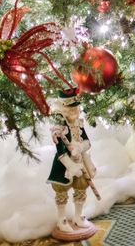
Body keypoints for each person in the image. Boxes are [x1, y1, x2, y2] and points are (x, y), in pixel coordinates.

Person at [48, 89, 98, 241]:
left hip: (81, 162)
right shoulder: (59, 129)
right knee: (61, 191)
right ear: (63, 109)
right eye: (71, 108)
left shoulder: (79, 124)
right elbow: (61, 151)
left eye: (76, 108)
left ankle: (78, 216)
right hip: (64, 166)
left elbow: (88, 141)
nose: (75, 111)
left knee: (81, 187)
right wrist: (71, 165)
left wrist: (80, 147)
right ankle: (62, 219)